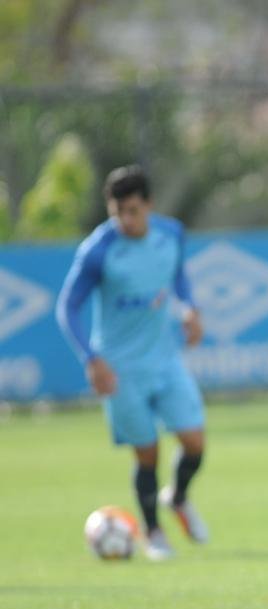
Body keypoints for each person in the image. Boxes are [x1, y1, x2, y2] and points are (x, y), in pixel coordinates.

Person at [56, 165, 209, 561]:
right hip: (120, 370)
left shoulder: (171, 234)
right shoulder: (98, 249)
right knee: (148, 452)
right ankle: (153, 532)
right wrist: (91, 360)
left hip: (165, 359)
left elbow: (178, 278)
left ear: (149, 206)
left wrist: (190, 309)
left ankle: (176, 496)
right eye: (117, 211)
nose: (125, 219)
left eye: (133, 211)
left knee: (194, 442)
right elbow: (68, 307)